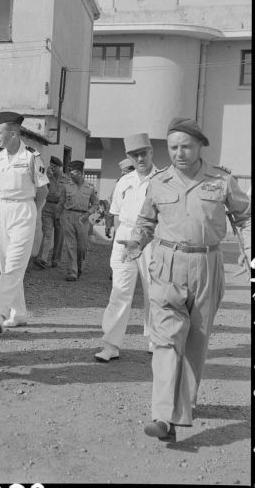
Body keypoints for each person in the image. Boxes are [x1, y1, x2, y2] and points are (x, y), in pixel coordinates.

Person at [119, 117, 250, 443]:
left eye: (186, 146)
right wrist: (136, 242)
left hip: (208, 264)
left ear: (200, 146)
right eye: (173, 146)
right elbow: (146, 220)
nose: (178, 153)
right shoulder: (160, 182)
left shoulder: (221, 180)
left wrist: (250, 251)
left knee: (195, 341)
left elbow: (245, 217)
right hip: (167, 265)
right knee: (165, 341)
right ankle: (164, 416)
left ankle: (184, 403)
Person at [95, 133, 158, 362]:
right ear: (129, 157)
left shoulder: (162, 179)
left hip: (152, 237)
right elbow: (118, 215)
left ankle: (155, 340)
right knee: (120, 290)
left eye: (144, 153)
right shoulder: (124, 181)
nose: (140, 158)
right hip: (125, 236)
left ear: (151, 151)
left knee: (153, 290)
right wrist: (118, 244)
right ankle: (111, 344)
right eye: (135, 154)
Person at [0, 112, 49, 332]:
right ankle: (19, 313)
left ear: (12, 133)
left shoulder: (32, 156)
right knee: (7, 265)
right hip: (2, 208)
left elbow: (42, 191)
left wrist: (37, 217)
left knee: (14, 264)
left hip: (24, 209)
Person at [58, 160, 98, 281]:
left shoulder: (90, 187)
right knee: (71, 246)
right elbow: (61, 202)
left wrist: (88, 214)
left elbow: (95, 204)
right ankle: (72, 272)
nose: (70, 174)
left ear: (80, 173)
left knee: (81, 247)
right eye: (69, 172)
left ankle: (79, 267)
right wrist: (58, 216)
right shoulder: (67, 186)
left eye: (73, 172)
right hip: (68, 216)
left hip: (83, 219)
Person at [34, 155, 68, 268]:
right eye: (51, 166)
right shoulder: (47, 177)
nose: (52, 168)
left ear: (60, 167)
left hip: (60, 208)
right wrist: (47, 177)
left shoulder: (66, 180)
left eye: (55, 167)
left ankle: (56, 260)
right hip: (48, 206)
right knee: (47, 233)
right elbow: (41, 188)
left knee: (59, 235)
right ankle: (42, 259)